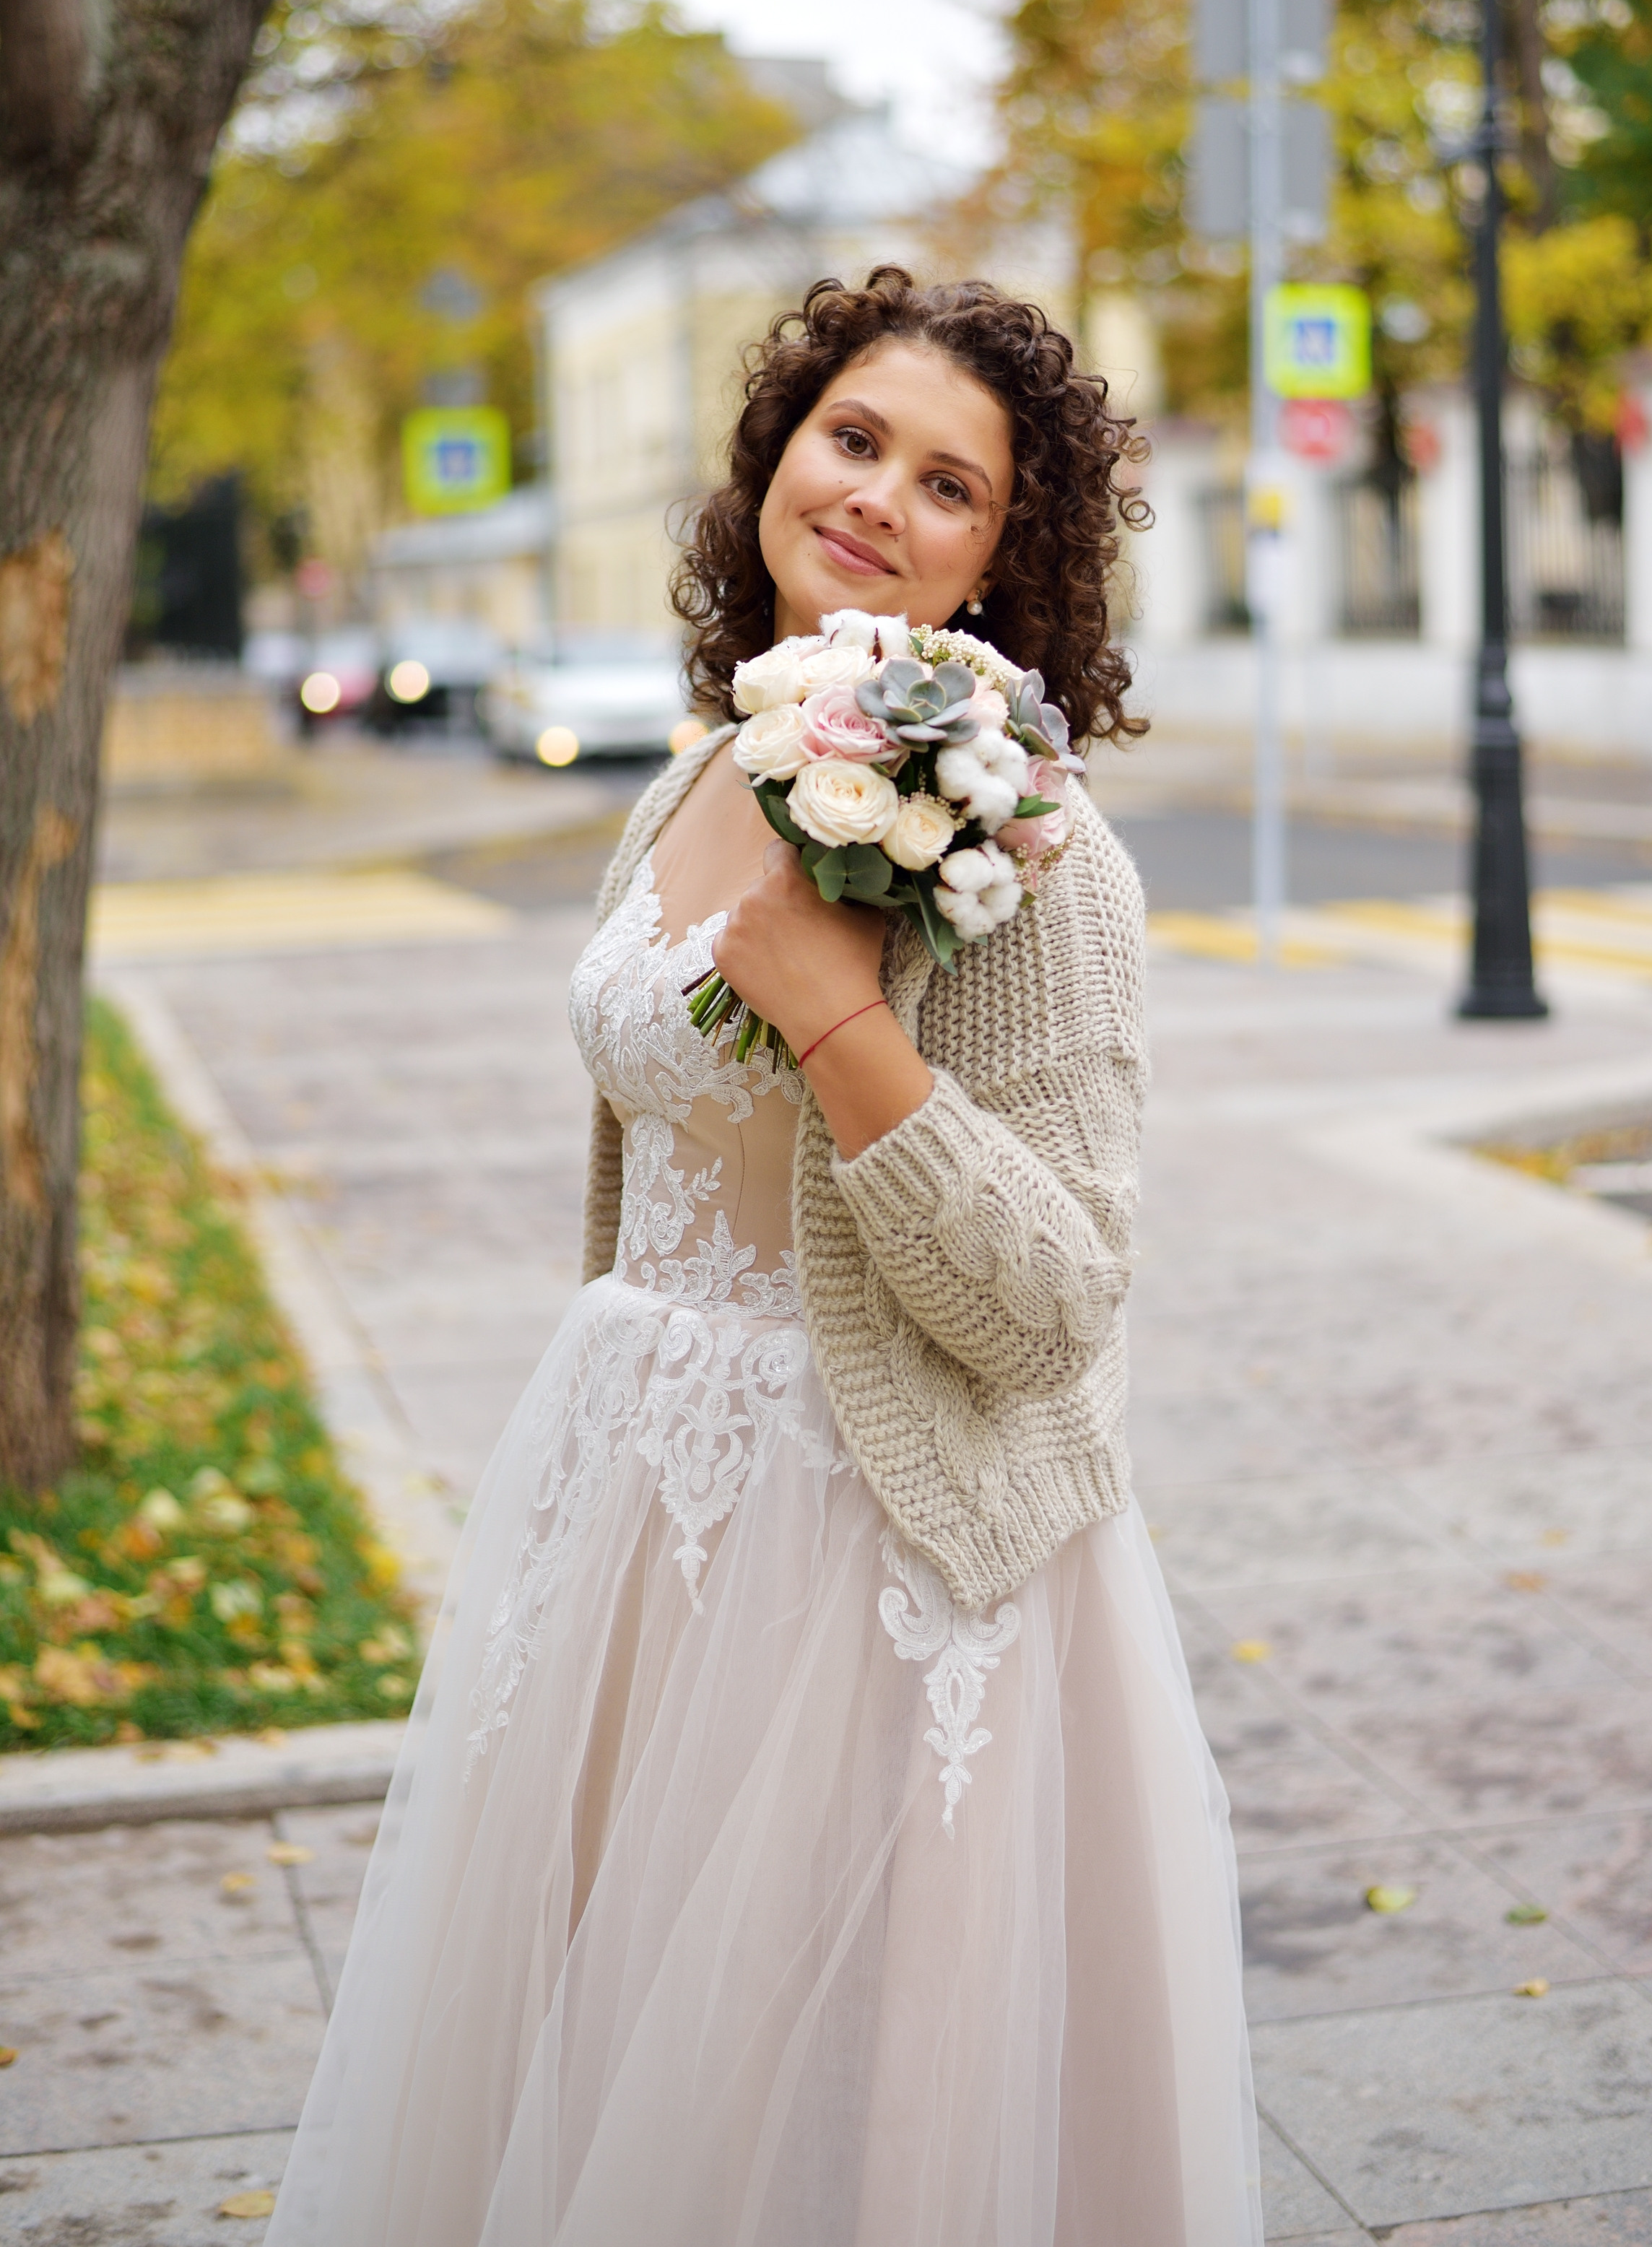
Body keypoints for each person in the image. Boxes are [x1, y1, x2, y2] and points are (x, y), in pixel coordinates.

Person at [270, 268, 1260, 2247]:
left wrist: (840, 1018)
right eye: (853, 438)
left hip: (871, 1546)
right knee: (607, 2056)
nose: (879, 495)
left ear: (1003, 563)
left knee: (825, 2112)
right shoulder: (700, 772)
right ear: (775, 460)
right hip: (631, 1512)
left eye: (951, 484)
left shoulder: (1036, 850)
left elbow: (1058, 1295)